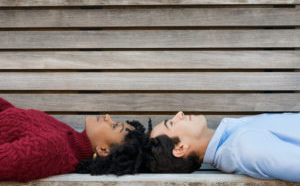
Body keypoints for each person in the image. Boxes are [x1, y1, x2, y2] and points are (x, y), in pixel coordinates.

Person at [0, 97, 149, 182]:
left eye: (114, 126)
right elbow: (12, 116)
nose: (107, 117)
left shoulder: (55, 150)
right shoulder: (66, 133)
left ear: (103, 150)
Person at [148, 111, 300, 183]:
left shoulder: (232, 138)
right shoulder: (244, 147)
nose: (179, 114)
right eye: (172, 123)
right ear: (180, 148)